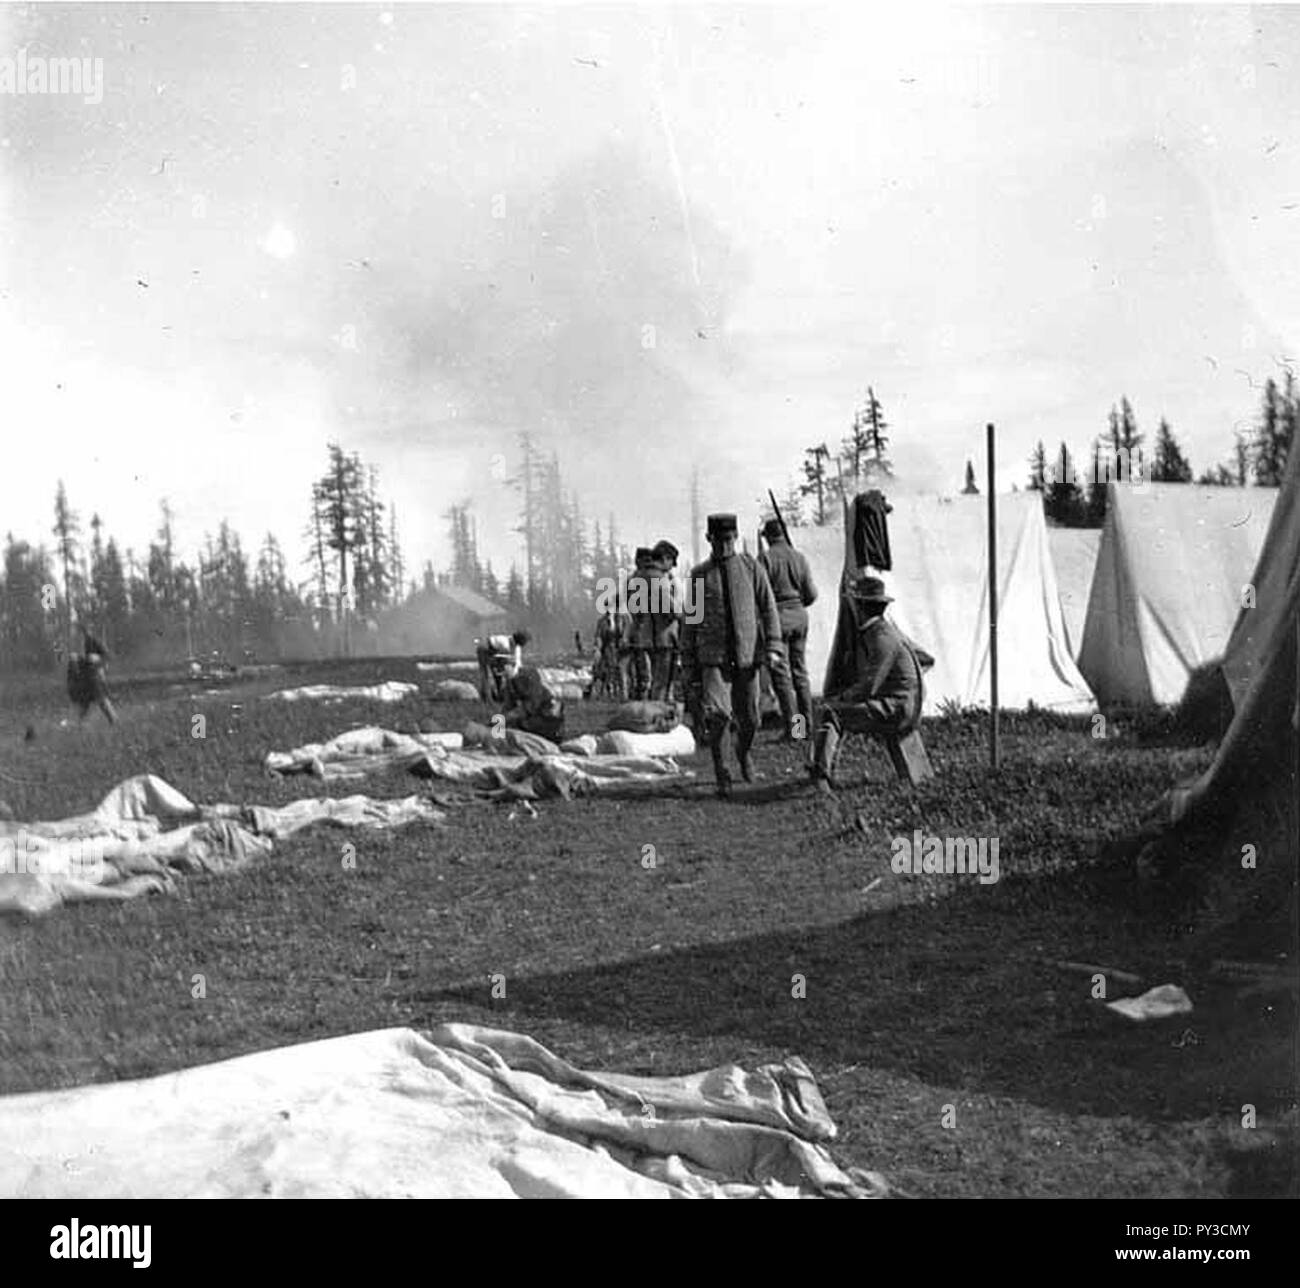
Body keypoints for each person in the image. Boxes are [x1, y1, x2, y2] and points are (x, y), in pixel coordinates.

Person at [680, 513, 784, 796]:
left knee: (751, 718)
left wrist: (774, 646)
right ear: (709, 540)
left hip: (748, 655)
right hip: (713, 658)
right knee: (718, 715)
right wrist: (688, 661)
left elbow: (769, 609)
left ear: (735, 538)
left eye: (728, 540)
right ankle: (722, 771)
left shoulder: (752, 568)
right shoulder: (700, 575)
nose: (724, 546)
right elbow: (690, 622)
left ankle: (743, 752)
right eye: (718, 540)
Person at [810, 575, 930, 787]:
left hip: (899, 709)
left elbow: (869, 685)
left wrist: (840, 698)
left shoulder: (881, 637)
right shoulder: (890, 631)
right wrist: (907, 681)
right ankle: (798, 738)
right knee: (801, 693)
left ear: (860, 607)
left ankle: (806, 753)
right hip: (905, 703)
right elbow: (926, 658)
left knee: (819, 708)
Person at [758, 518, 818, 741]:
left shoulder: (765, 558)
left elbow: (760, 596)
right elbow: (811, 594)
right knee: (800, 673)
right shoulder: (799, 557)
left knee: (782, 678)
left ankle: (796, 730)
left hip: (777, 620)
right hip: (800, 617)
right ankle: (807, 727)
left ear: (768, 537)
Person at [648, 539, 683, 702]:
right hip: (665, 637)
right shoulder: (660, 580)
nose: (672, 566)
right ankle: (658, 714)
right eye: (671, 561)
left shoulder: (647, 575)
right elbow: (673, 611)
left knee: (659, 681)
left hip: (655, 636)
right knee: (662, 683)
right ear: (664, 558)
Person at [623, 547, 656, 701]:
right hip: (645, 634)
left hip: (644, 634)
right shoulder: (640, 580)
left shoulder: (636, 579)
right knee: (646, 676)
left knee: (644, 676)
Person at [502, 664, 566, 742]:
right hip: (535, 722)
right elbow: (509, 708)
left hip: (544, 726)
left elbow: (524, 710)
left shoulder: (534, 689)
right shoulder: (515, 687)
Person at [67, 630, 118, 724]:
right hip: (82, 678)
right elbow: (73, 668)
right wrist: (75, 659)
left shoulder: (92, 641)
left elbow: (106, 656)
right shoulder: (72, 642)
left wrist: (97, 658)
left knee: (101, 700)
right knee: (84, 703)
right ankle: (78, 725)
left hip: (93, 675)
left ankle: (114, 721)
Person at [477, 628, 530, 703]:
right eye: (525, 641)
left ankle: (499, 694)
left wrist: (517, 673)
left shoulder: (516, 647)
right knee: (486, 673)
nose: (525, 644)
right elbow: (503, 661)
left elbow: (517, 662)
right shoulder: (505, 644)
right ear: (520, 640)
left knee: (499, 674)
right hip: (485, 648)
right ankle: (487, 697)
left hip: (496, 651)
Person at [591, 606, 626, 700]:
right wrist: (597, 649)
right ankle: (608, 694)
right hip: (608, 649)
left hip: (621, 650)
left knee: (621, 673)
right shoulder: (602, 621)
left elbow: (625, 632)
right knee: (607, 673)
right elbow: (598, 636)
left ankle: (622, 695)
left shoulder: (622, 618)